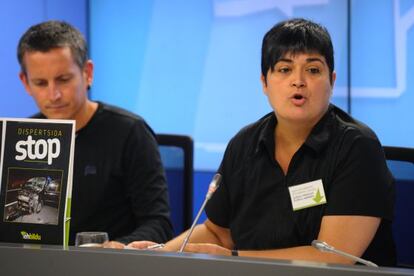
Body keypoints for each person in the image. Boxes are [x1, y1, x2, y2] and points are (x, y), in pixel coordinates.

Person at [128, 18, 396, 266]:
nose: (298, 81)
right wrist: (161, 253)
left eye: (313, 70)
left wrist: (235, 258)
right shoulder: (245, 144)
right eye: (284, 69)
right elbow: (218, 233)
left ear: (332, 81)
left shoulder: (357, 147)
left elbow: (334, 257)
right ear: (264, 82)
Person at [17, 20, 173, 247]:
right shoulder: (21, 137)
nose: (54, 94)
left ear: (87, 73)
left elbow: (158, 224)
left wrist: (116, 248)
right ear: (26, 83)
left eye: (63, 79)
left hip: (108, 266)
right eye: (41, 83)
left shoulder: (130, 132)